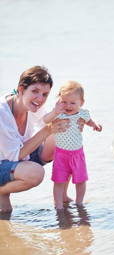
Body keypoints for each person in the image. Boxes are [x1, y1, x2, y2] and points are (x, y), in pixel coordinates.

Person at [0, 65, 70, 213]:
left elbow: (44, 121)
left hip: (17, 157)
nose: (40, 99)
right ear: (21, 89)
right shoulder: (2, 113)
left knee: (61, 136)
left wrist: (63, 115)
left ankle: (62, 194)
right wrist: (47, 130)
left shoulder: (32, 106)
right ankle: (1, 191)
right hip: (5, 161)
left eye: (45, 94)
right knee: (35, 173)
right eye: (35, 91)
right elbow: (14, 155)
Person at [43, 80, 102, 210]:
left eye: (73, 103)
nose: (68, 106)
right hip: (61, 154)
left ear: (81, 103)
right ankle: (58, 205)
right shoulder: (58, 114)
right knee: (59, 180)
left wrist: (96, 126)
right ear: (59, 101)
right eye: (64, 102)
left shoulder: (83, 113)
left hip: (77, 154)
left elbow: (90, 121)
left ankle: (79, 202)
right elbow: (45, 120)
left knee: (80, 180)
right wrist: (54, 111)